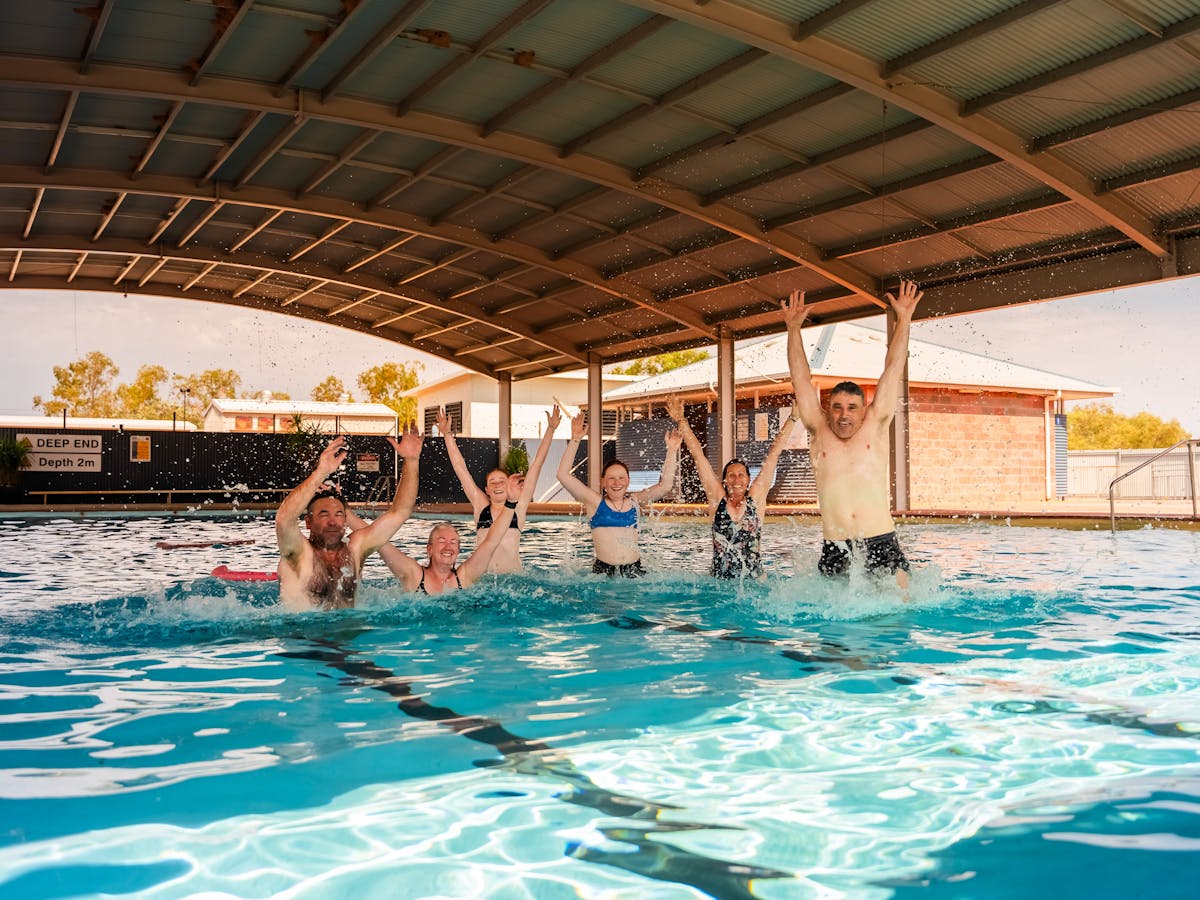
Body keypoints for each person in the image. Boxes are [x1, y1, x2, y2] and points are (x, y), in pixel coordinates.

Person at [784, 280, 923, 587]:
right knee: (833, 632)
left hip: (881, 543)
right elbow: (800, 379)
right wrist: (794, 328)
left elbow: (893, 366)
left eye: (851, 407)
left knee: (898, 621)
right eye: (836, 407)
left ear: (864, 409)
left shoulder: (876, 422)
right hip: (836, 548)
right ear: (827, 408)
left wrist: (904, 319)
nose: (844, 414)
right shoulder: (818, 429)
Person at [276, 432, 422, 610]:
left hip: (348, 635)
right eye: (323, 514)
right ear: (308, 522)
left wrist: (411, 461)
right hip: (303, 636)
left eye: (338, 514)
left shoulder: (355, 549)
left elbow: (400, 512)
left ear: (345, 520)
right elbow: (284, 519)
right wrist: (320, 473)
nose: (332, 521)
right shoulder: (298, 553)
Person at [665, 396, 801, 579]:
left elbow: (774, 454)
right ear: (725, 481)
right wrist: (681, 420)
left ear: (748, 480)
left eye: (741, 475)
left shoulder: (756, 499)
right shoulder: (717, 500)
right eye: (731, 475)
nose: (736, 479)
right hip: (720, 582)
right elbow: (698, 455)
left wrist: (793, 418)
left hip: (754, 581)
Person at [555, 407, 681, 577]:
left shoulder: (635, 501)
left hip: (634, 572)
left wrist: (672, 450)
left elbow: (665, 485)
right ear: (603, 482)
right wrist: (576, 440)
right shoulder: (594, 502)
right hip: (603, 574)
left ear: (628, 481)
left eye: (622, 478)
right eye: (611, 478)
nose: (617, 483)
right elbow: (562, 475)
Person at [435, 404, 562, 573]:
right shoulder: (481, 507)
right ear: (487, 490)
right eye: (492, 482)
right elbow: (461, 470)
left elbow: (537, 464)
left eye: (501, 481)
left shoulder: (519, 506)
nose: (497, 485)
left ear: (509, 484)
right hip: (483, 581)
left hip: (513, 582)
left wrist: (551, 429)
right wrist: (446, 435)